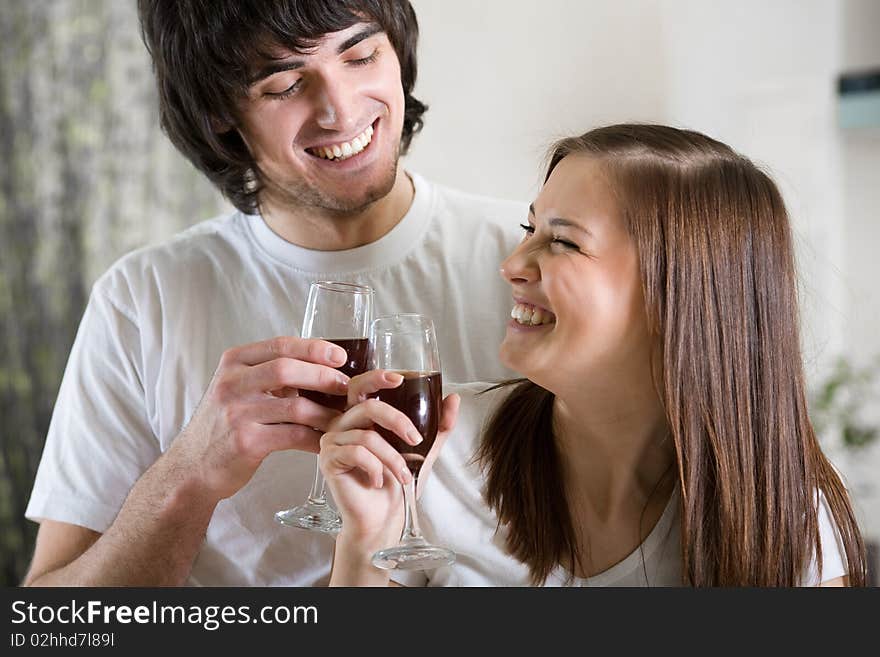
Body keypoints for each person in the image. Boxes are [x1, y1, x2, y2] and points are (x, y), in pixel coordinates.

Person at [22, 0, 524, 586]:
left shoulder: (526, 261)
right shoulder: (143, 300)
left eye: (361, 55)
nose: (340, 111)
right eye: (285, 85)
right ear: (218, 113)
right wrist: (192, 472)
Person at [320, 123, 868, 586]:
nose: (512, 264)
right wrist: (366, 537)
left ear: (679, 295)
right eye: (528, 229)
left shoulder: (782, 510)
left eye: (563, 241)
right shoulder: (436, 452)